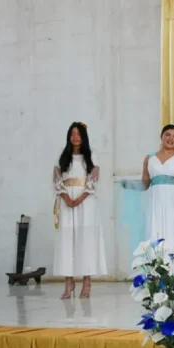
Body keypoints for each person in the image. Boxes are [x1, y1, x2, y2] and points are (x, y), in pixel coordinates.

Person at [52, 122, 108, 299]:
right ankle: (69, 281)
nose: (75, 137)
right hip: (67, 200)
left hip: (86, 201)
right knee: (68, 239)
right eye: (72, 133)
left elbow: (93, 178)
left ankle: (87, 281)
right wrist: (66, 197)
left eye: (78, 134)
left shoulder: (91, 155)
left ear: (83, 137)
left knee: (86, 240)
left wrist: (81, 197)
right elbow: (56, 178)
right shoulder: (62, 155)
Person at [140, 125, 174, 257]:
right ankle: (156, 270)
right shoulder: (149, 158)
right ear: (162, 136)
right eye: (168, 134)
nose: (171, 138)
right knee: (156, 231)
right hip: (156, 201)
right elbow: (145, 184)